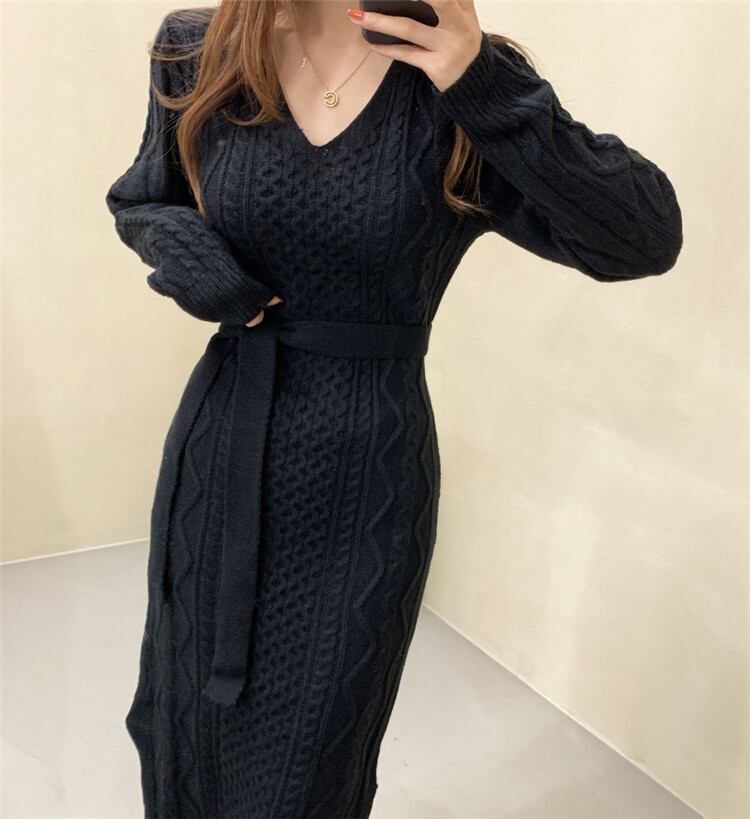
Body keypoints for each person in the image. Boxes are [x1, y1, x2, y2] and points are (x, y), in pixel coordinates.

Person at [104, 1, 683, 816]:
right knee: (182, 730)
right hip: (222, 451)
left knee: (314, 770)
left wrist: (481, 83)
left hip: (366, 481)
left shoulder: (457, 80)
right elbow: (141, 199)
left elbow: (642, 239)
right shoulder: (201, 48)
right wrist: (186, 253)